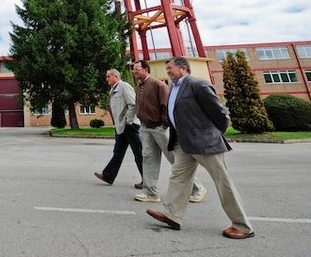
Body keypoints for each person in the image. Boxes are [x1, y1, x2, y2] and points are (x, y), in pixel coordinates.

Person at [146, 57, 255, 239]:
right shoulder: (173, 87)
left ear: (183, 68)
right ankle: (172, 215)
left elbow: (220, 114)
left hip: (205, 143)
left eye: (171, 68)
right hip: (182, 142)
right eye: (167, 69)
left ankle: (242, 225)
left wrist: (210, 133)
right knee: (178, 178)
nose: (168, 72)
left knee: (223, 182)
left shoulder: (198, 84)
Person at [132, 60, 206, 204]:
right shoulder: (140, 86)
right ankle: (151, 193)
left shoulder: (158, 85)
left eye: (137, 69)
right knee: (148, 160)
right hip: (146, 128)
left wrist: (165, 124)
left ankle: (198, 189)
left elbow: (168, 105)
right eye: (134, 70)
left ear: (145, 69)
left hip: (160, 128)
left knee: (175, 159)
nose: (134, 72)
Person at [94, 69, 143, 188]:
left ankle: (148, 180)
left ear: (116, 76)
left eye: (108, 76)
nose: (107, 79)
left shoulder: (124, 86)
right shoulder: (113, 89)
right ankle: (108, 176)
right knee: (118, 152)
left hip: (129, 126)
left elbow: (133, 104)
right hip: (120, 126)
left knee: (139, 153)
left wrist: (128, 120)